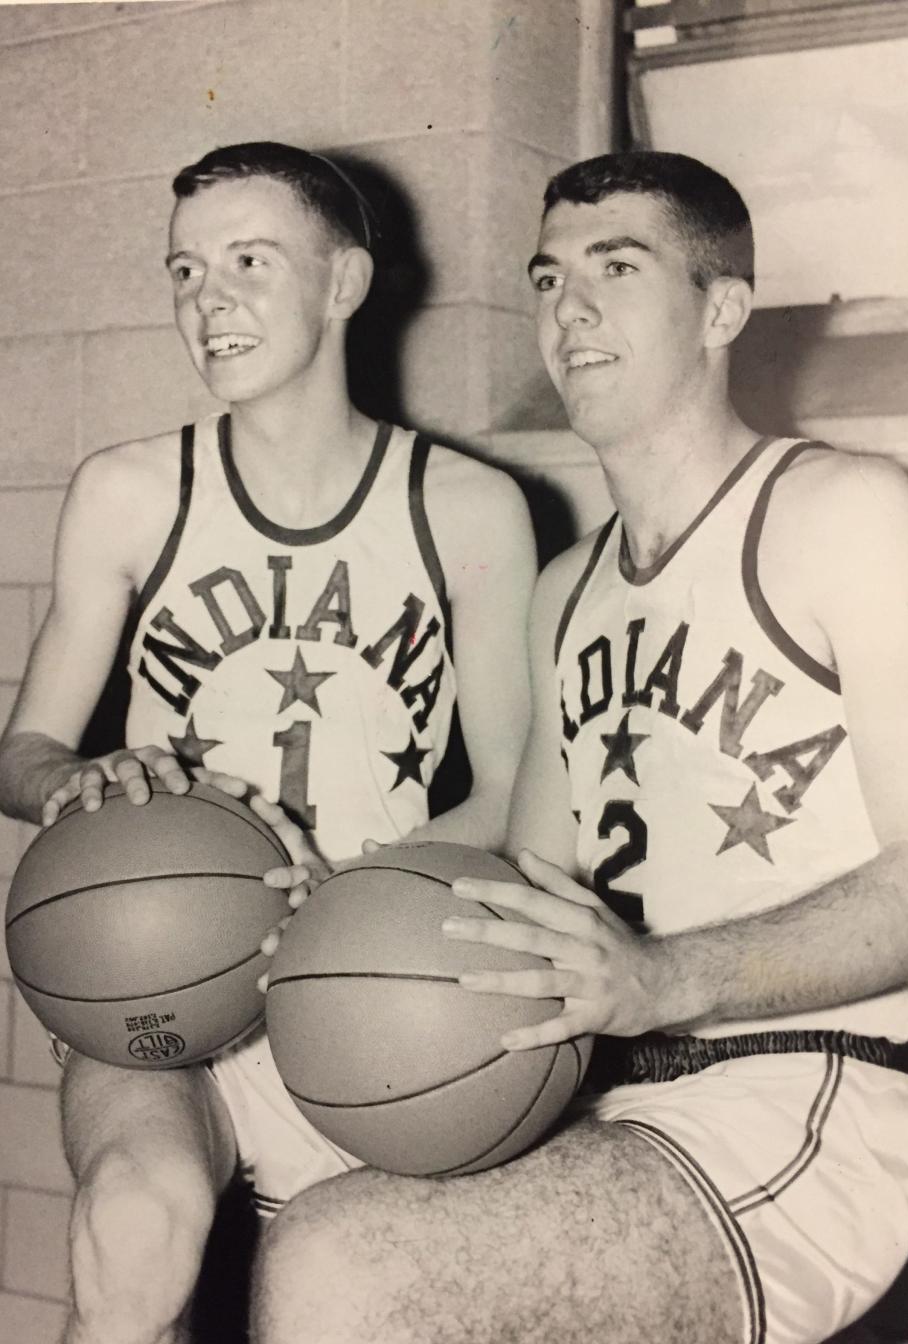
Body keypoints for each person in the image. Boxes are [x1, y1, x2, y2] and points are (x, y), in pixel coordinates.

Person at [247, 151, 908, 1344]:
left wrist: (664, 977)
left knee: (339, 1264)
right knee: (294, 1185)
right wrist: (342, 919)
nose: (566, 309)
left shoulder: (848, 514)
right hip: (606, 1093)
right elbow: (525, 892)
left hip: (801, 1094)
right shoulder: (567, 591)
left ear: (721, 308)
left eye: (616, 268)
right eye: (546, 276)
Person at [0, 141, 536, 1344]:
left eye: (249, 260)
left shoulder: (468, 507)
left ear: (345, 284)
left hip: (368, 976)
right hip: (159, 973)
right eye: (184, 271)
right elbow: (19, 749)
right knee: (139, 1222)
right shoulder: (128, 491)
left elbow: (512, 791)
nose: (208, 300)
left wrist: (350, 897)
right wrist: (75, 778)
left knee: (350, 1300)